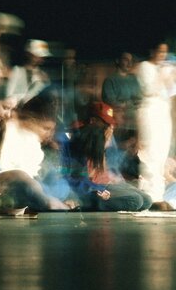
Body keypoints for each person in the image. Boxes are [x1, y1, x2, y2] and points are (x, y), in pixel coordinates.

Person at [62, 102, 151, 211]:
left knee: (146, 200)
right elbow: (76, 178)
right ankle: (90, 206)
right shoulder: (79, 140)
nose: (110, 127)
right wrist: (97, 189)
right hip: (95, 188)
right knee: (135, 200)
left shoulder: (105, 135)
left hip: (105, 183)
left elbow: (111, 165)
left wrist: (116, 177)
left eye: (110, 125)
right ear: (93, 121)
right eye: (105, 124)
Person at [136, 42, 176, 209]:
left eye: (165, 52)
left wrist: (171, 75)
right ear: (152, 51)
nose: (162, 55)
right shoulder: (144, 66)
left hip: (163, 112)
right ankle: (150, 196)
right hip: (150, 111)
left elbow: (171, 92)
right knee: (151, 154)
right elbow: (148, 90)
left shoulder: (166, 68)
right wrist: (162, 75)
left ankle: (159, 195)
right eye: (160, 51)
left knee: (161, 155)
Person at [5, 39, 51, 107]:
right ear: (29, 54)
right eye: (37, 55)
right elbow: (9, 94)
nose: (40, 59)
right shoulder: (17, 71)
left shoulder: (43, 76)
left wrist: (42, 83)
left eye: (42, 57)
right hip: (14, 108)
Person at [102, 52, 141, 130]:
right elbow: (110, 101)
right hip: (118, 121)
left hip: (134, 121)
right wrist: (127, 105)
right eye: (126, 60)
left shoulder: (133, 79)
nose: (129, 63)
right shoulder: (110, 80)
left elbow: (139, 99)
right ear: (117, 60)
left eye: (131, 61)